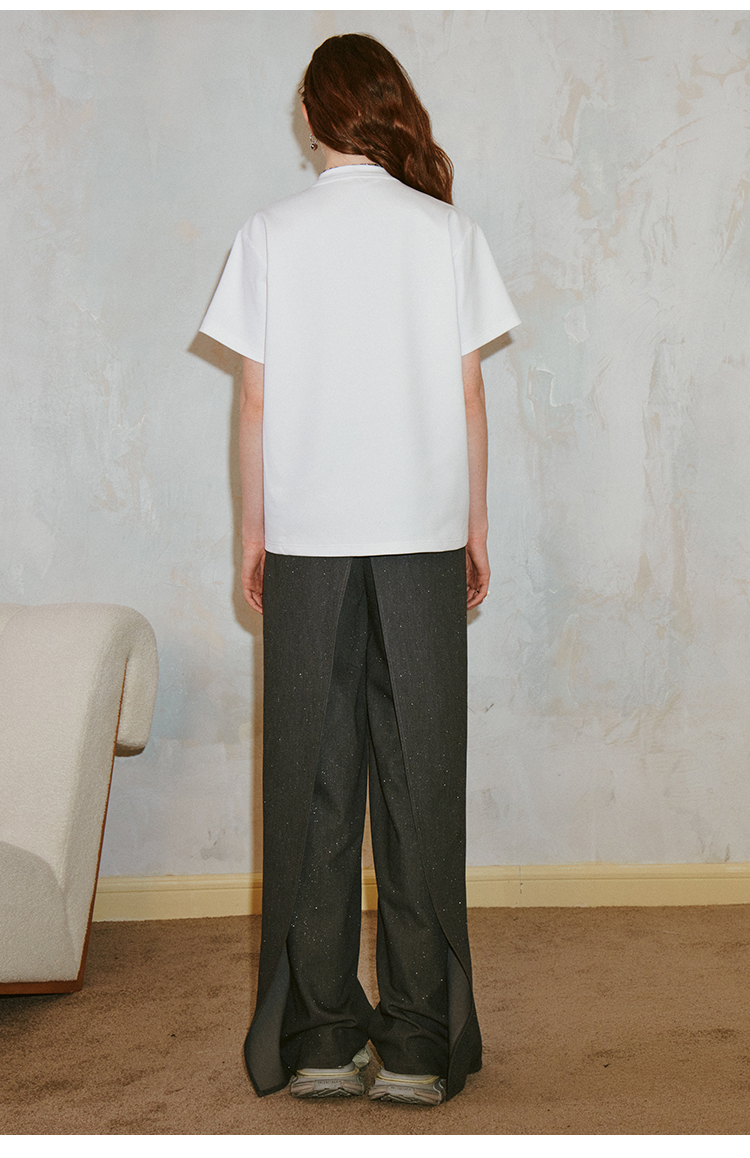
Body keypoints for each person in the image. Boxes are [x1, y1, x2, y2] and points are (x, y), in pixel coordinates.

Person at [200, 33, 520, 1106]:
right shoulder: (446, 232)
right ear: (386, 108)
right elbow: (468, 395)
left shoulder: (270, 234)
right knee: (420, 782)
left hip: (307, 542)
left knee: (316, 784)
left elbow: (255, 399)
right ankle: (421, 1045)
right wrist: (475, 525)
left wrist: (253, 532)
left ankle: (323, 1040)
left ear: (312, 115)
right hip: (422, 537)